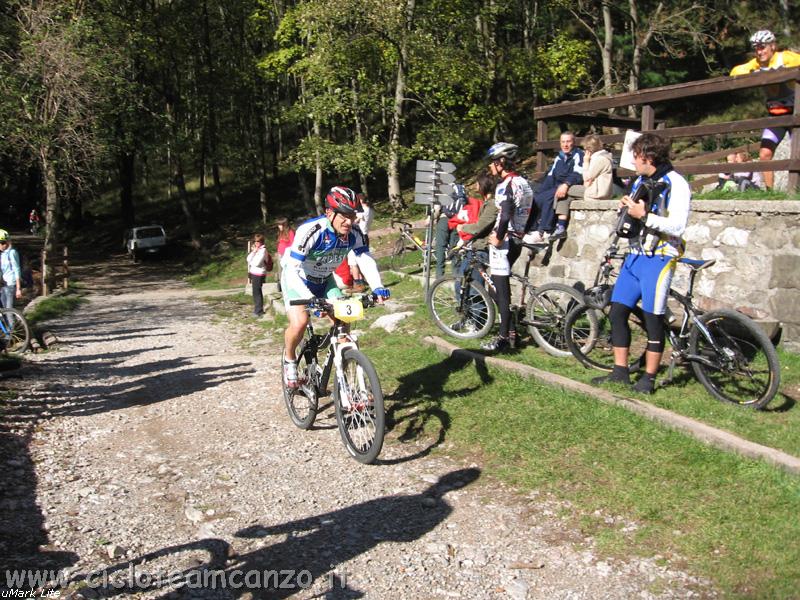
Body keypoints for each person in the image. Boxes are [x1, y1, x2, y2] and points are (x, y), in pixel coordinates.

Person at [592, 133, 691, 394]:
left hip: (660, 258)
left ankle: (648, 378)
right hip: (635, 256)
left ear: (648, 157)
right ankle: (620, 372)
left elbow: (678, 226)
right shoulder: (640, 181)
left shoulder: (676, 183)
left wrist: (644, 216)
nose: (633, 162)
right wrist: (625, 210)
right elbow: (633, 214)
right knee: (617, 312)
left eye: (636, 157)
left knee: (653, 319)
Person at [281, 186, 390, 388]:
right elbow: (292, 268)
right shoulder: (312, 230)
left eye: (352, 216)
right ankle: (289, 360)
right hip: (297, 279)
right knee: (300, 322)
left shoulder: (355, 233)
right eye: (344, 216)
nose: (349, 222)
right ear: (329, 213)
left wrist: (377, 287)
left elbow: (364, 259)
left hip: (324, 281)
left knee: (343, 321)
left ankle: (348, 385)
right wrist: (310, 299)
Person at [729, 29, 800, 189]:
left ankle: (797, 191)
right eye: (756, 48)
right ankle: (770, 192)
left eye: (762, 47)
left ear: (772, 46)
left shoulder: (786, 57)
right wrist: (754, 71)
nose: (759, 51)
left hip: (796, 113)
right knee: (764, 155)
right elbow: (735, 72)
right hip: (775, 116)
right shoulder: (756, 63)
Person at [482, 142, 533, 353]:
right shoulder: (524, 182)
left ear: (502, 162)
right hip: (517, 239)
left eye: (493, 162)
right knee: (496, 287)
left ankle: (504, 337)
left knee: (501, 292)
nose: (491, 167)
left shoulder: (506, 185)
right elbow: (535, 208)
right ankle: (511, 330)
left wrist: (498, 236)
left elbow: (505, 212)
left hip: (504, 243)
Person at [527, 131, 584, 243]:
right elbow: (550, 176)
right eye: (563, 142)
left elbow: (578, 174)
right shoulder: (559, 157)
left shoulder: (578, 155)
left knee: (548, 197)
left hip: (570, 185)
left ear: (574, 142)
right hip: (556, 185)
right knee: (537, 197)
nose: (565, 145)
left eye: (568, 141)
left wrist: (566, 184)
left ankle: (544, 230)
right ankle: (531, 229)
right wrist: (539, 191)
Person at [558, 134, 614, 238]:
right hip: (595, 190)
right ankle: (560, 226)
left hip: (597, 193)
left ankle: (559, 226)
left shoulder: (600, 159)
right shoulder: (602, 158)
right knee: (565, 196)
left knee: (566, 189)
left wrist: (586, 161)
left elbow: (587, 176)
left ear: (589, 149)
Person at [434, 184, 468, 278]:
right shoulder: (461, 189)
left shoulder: (443, 189)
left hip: (444, 219)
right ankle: (456, 274)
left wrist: (433, 218)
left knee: (440, 247)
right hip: (457, 221)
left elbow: (437, 209)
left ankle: (439, 274)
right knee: (455, 247)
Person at [246, 233, 274, 317]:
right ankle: (257, 309)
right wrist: (254, 252)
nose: (256, 243)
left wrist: (253, 257)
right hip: (254, 272)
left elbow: (256, 263)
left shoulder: (263, 250)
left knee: (257, 292)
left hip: (259, 273)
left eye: (258, 241)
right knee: (255, 292)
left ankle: (259, 311)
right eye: (255, 241)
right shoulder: (256, 250)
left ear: (262, 242)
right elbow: (248, 259)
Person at [0, 230, 23, 311]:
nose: (3, 245)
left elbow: (17, 270)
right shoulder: (2, 255)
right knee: (4, 311)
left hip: (11, 284)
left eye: (3, 242)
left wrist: (18, 288)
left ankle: (12, 324)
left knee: (9, 310)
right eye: (2, 243)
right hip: (3, 285)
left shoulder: (12, 253)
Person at [275, 216, 295, 293]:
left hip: (287, 256)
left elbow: (293, 244)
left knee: (287, 272)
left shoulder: (290, 232)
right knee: (280, 272)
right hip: (280, 254)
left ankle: (289, 288)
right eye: (278, 225)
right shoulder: (280, 233)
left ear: (285, 224)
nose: (279, 226)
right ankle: (283, 287)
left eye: (280, 225)